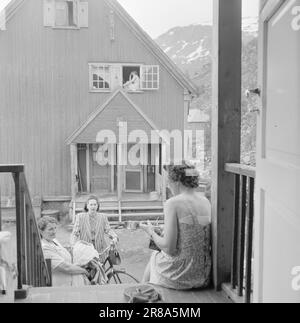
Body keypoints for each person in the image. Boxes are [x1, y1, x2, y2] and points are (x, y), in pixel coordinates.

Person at [140, 163, 212, 290]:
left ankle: (141, 293)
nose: (168, 185)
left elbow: (169, 248)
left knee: (154, 257)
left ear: (177, 181)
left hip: (182, 275)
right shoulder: (205, 201)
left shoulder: (173, 203)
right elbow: (194, 228)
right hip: (203, 273)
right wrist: (164, 231)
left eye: (168, 181)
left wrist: (151, 232)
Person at [38, 216, 89, 287]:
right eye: (50, 229)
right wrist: (84, 271)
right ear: (41, 231)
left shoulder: (53, 240)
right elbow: (66, 267)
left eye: (55, 228)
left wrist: (79, 247)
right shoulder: (45, 247)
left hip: (70, 278)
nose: (54, 231)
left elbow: (62, 252)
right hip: (62, 284)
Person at [70, 196, 119, 263]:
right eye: (91, 205)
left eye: (95, 205)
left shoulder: (103, 217)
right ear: (87, 206)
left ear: (97, 206)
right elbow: (75, 233)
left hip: (100, 248)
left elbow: (108, 230)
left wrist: (114, 237)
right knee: (88, 270)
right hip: (86, 249)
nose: (93, 207)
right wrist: (73, 245)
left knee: (101, 269)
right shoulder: (80, 217)